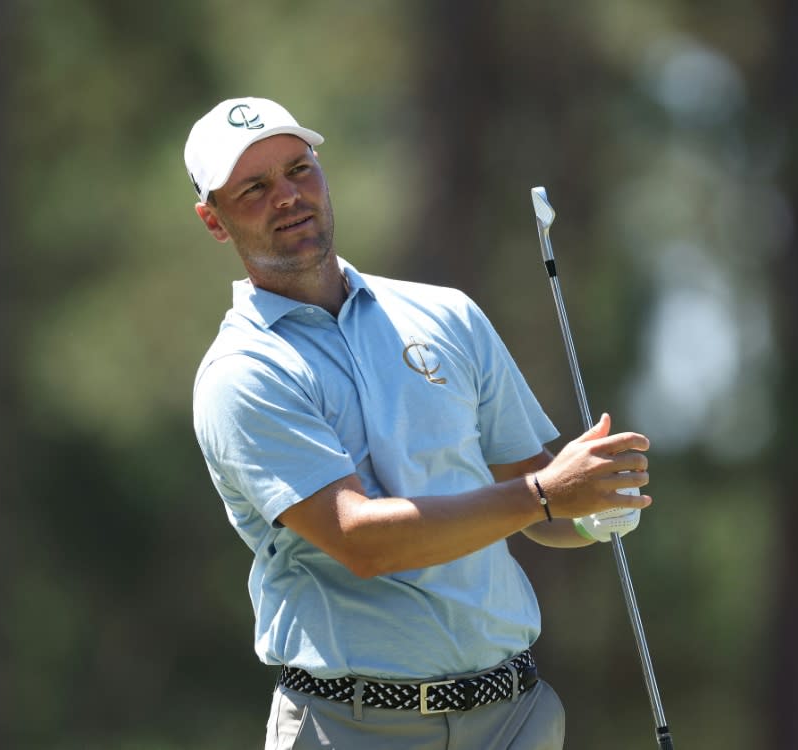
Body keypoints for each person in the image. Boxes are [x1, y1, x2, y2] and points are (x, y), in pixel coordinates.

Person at [185, 96, 653, 750]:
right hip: (352, 726)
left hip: (514, 717)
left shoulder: (446, 315)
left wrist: (591, 510)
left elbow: (536, 505)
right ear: (214, 220)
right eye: (254, 188)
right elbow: (361, 542)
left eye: (298, 169)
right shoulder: (243, 372)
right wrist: (548, 495)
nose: (286, 195)